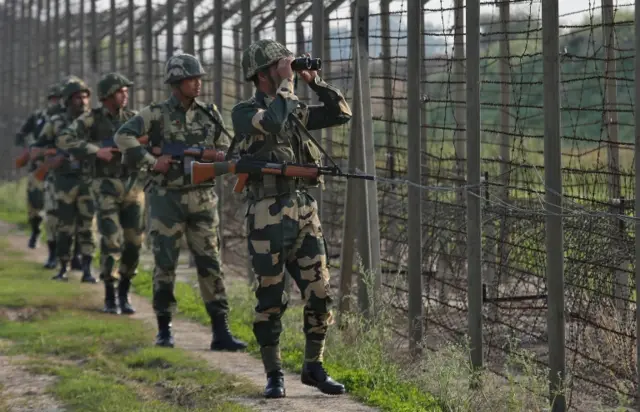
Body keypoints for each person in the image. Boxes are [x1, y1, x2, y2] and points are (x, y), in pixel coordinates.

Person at [230, 39, 351, 398]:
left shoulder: (293, 106)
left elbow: (341, 113)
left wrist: (314, 83)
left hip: (303, 211)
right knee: (271, 299)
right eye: (279, 65)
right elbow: (271, 122)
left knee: (320, 293)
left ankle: (314, 366)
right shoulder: (244, 111)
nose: (287, 70)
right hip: (267, 215)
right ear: (262, 73)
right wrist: (287, 84)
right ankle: (273, 373)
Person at [114, 53, 247, 351]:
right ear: (176, 83)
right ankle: (164, 329)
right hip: (166, 200)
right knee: (165, 264)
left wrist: (216, 161)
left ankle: (220, 331)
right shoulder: (156, 114)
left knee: (210, 263)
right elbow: (123, 136)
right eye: (191, 79)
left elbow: (226, 149)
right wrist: (151, 161)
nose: (198, 83)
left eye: (199, 78)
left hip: (202, 199)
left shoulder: (210, 113)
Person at [57, 72, 142, 314]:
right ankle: (110, 295)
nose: (125, 94)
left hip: (132, 188)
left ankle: (125, 293)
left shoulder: (134, 119)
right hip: (104, 187)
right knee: (111, 240)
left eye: (126, 91)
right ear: (106, 96)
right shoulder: (91, 120)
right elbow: (64, 139)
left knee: (134, 243)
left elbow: (156, 141)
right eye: (119, 91)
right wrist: (95, 151)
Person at [37, 77, 97, 283]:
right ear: (68, 100)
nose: (83, 102)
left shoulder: (94, 121)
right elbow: (39, 148)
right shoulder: (56, 123)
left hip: (88, 180)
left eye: (85, 97)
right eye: (78, 98)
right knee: (64, 227)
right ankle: (63, 266)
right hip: (63, 182)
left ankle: (87, 269)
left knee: (88, 226)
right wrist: (54, 157)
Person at [15, 83, 63, 252]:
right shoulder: (37, 117)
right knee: (34, 205)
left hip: (59, 167)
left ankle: (59, 247)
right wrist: (28, 149)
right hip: (37, 168)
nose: (56, 102)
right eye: (53, 99)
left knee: (58, 209)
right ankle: (35, 231)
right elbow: (20, 134)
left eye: (59, 99)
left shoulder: (68, 119)